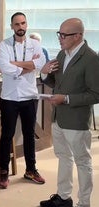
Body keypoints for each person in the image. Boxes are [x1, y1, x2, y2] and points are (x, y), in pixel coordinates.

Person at [39, 18, 99, 207]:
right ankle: (64, 197)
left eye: (64, 35)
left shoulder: (91, 58)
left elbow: (95, 94)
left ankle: (84, 203)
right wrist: (43, 72)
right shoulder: (62, 55)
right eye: (59, 34)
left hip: (77, 120)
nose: (60, 38)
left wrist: (65, 99)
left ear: (78, 36)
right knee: (64, 158)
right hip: (58, 119)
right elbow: (55, 83)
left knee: (82, 162)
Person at [0, 12, 46, 189]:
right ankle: (3, 171)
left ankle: (31, 169)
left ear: (27, 24)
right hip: (9, 97)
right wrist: (28, 65)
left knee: (29, 135)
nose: (20, 27)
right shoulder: (4, 45)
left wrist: (16, 63)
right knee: (7, 135)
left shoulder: (35, 44)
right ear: (12, 26)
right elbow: (4, 67)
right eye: (16, 24)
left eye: (23, 23)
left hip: (29, 96)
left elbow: (40, 64)